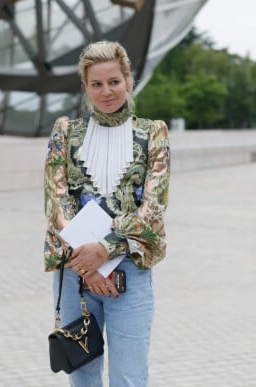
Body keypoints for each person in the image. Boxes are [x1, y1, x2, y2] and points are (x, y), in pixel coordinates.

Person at [43, 41, 171, 387]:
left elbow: (154, 206)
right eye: (96, 84)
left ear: (128, 79)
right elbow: (56, 201)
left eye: (113, 81)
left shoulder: (153, 133)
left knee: (129, 377)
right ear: (86, 87)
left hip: (129, 271)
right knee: (82, 377)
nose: (106, 91)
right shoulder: (66, 132)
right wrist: (88, 264)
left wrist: (106, 249)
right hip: (75, 273)